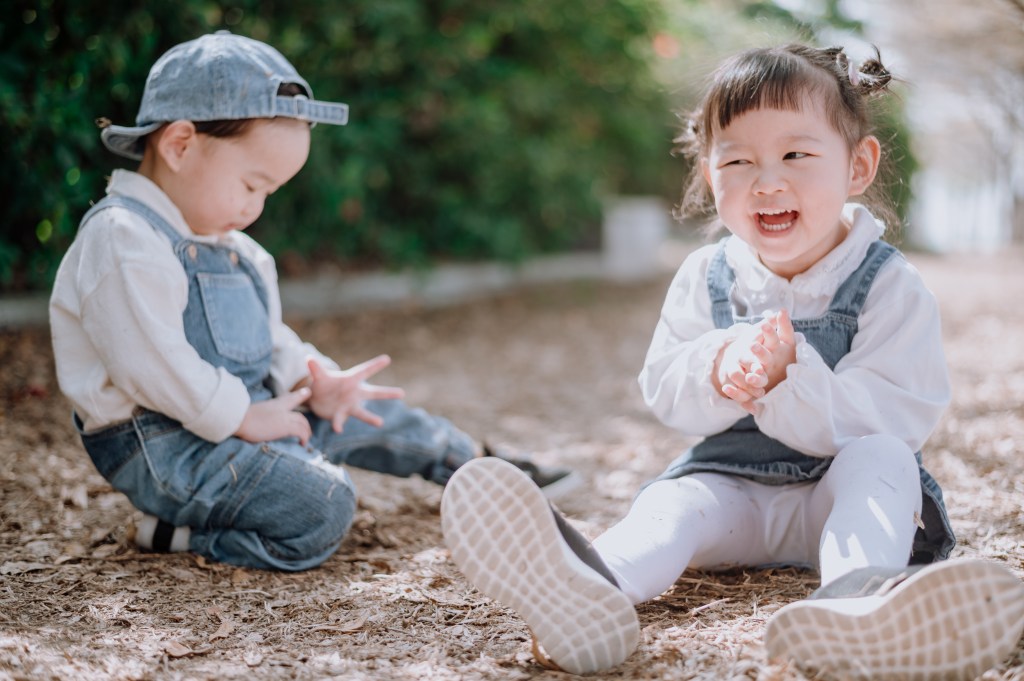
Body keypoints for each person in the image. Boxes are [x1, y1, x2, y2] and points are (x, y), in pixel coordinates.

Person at [441, 44, 1024, 679]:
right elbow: (664, 387)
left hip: (838, 496)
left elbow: (898, 412)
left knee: (884, 459)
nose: (766, 182)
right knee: (672, 505)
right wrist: (718, 368)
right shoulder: (707, 275)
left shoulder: (887, 283)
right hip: (731, 495)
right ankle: (590, 588)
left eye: (796, 155)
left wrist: (792, 379)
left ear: (858, 165)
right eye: (738, 160)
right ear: (710, 173)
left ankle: (856, 605)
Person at [49, 31, 578, 572]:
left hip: (247, 419)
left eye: (269, 193)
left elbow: (267, 339)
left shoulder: (236, 250)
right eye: (251, 185)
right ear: (180, 145)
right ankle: (177, 533)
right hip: (166, 450)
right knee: (323, 504)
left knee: (364, 411)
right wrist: (243, 416)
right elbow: (151, 365)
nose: (255, 208)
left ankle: (475, 464)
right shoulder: (124, 237)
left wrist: (313, 378)